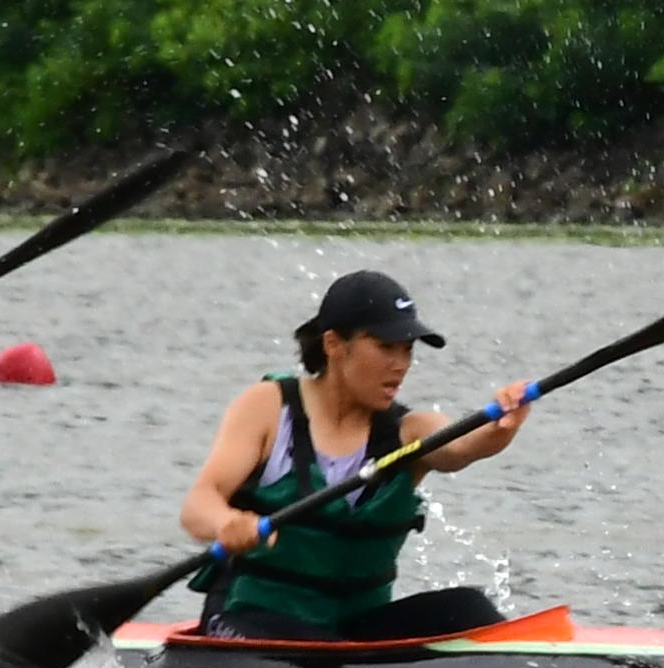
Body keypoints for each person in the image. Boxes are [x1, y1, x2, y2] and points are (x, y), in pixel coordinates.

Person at [177, 269, 532, 643]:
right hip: (248, 615)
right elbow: (198, 505)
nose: (400, 364)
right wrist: (227, 522)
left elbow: (462, 446)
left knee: (470, 609)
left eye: (407, 349)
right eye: (385, 346)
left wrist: (501, 425)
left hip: (350, 630)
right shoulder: (267, 407)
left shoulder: (410, 432)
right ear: (333, 344)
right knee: (308, 645)